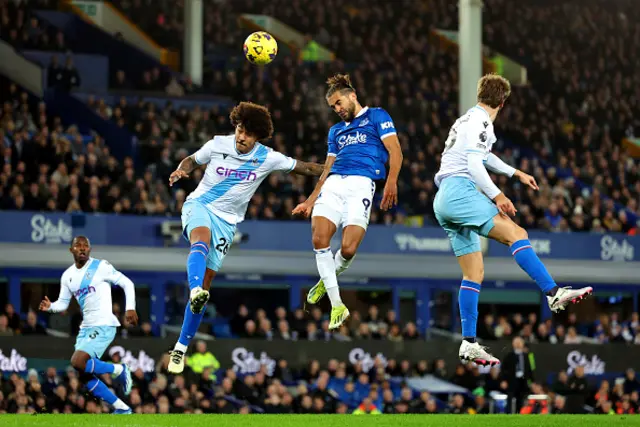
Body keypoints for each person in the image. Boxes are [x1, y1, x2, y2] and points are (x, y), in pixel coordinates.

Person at [432, 74, 593, 365]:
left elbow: (484, 156)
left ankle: (468, 342)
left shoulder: (468, 119)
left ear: (480, 94)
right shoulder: (481, 122)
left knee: (473, 274)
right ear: (503, 102)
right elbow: (473, 164)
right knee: (517, 233)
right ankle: (553, 293)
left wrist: (514, 172)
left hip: (443, 198)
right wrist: (498, 196)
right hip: (459, 190)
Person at [167, 101, 324, 374]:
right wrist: (183, 170)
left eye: (248, 134)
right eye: (240, 129)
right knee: (199, 243)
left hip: (228, 223)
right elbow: (193, 159)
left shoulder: (268, 157)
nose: (241, 137)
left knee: (207, 282)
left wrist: (338, 167)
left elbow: (307, 168)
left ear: (258, 136)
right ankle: (194, 291)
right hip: (201, 206)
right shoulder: (218, 144)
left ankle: (180, 347)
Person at [292, 74, 403, 330]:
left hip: (362, 184)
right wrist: (311, 199)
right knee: (320, 240)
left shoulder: (377, 116)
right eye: (333, 107)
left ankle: (326, 279)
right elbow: (327, 167)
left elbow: (395, 150)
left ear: (352, 96)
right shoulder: (336, 131)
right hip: (333, 185)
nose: (337, 110)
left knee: (349, 248)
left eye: (339, 103)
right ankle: (337, 304)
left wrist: (392, 180)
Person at [38, 235, 137, 414]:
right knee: (84, 375)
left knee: (77, 361)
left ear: (90, 250)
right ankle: (122, 408)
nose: (82, 248)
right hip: (86, 329)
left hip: (104, 325)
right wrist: (51, 306)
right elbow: (63, 303)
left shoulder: (101, 266)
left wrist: (130, 308)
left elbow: (127, 283)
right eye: (78, 246)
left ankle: (118, 369)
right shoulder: (67, 276)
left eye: (86, 246)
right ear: (71, 250)